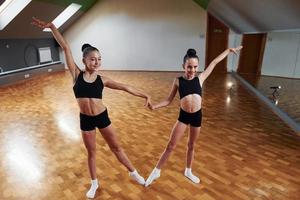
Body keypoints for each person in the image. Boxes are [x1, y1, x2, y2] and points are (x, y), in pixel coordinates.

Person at [31, 17, 151, 198]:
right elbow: (65, 47)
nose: (97, 62)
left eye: (99, 59)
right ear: (84, 60)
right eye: (93, 59)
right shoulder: (76, 74)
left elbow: (125, 87)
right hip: (85, 119)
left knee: (116, 148)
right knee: (92, 152)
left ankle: (134, 172)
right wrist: (52, 27)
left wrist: (146, 95)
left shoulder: (103, 80)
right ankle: (94, 183)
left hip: (102, 116)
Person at [145, 46, 242, 186]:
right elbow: (168, 100)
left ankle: (188, 171)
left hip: (197, 116)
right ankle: (156, 171)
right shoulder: (178, 81)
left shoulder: (200, 78)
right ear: (183, 66)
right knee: (171, 145)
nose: (193, 70)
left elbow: (214, 62)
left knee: (191, 145)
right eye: (189, 67)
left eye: (195, 67)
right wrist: (154, 106)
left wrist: (228, 51)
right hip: (183, 117)